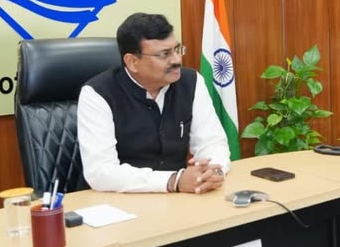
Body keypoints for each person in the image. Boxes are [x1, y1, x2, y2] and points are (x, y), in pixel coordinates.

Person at [78, 13, 230, 194]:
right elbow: (101, 172)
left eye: (177, 49)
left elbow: (212, 142)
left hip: (180, 199)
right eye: (164, 54)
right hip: (119, 200)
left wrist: (212, 172)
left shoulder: (191, 82)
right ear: (132, 62)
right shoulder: (97, 93)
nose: (176, 60)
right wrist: (173, 181)